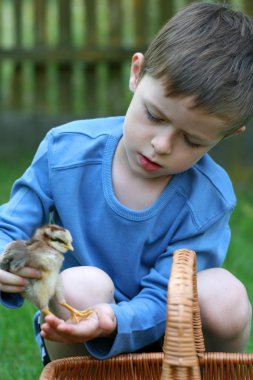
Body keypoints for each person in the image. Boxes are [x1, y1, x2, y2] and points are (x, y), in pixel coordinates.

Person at [0, 1, 252, 364]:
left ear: (227, 135)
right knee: (80, 284)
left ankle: (208, 374)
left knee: (225, 295)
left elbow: (168, 293)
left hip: (173, 334)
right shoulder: (65, 150)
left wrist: (116, 321)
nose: (162, 145)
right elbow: (12, 224)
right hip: (81, 327)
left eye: (192, 141)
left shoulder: (208, 197)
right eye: (154, 115)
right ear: (137, 72)